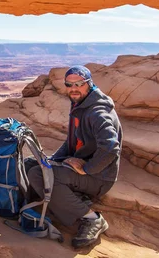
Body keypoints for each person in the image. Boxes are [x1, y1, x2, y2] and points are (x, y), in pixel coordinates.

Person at [28, 65, 123, 248]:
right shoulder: (81, 103)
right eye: (69, 84)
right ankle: (72, 200)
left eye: (79, 84)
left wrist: (87, 168)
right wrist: (53, 160)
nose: (73, 88)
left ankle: (92, 219)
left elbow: (111, 148)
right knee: (34, 165)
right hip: (87, 169)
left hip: (99, 176)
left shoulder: (97, 112)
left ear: (89, 83)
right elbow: (72, 141)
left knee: (40, 175)